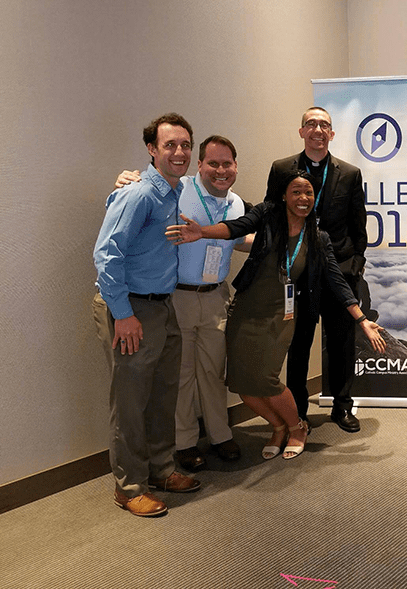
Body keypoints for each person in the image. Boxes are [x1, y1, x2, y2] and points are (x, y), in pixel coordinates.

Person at [166, 170, 385, 460]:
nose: (303, 198)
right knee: (242, 383)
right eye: (296, 191)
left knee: (266, 379)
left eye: (308, 192)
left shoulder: (318, 238)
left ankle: (297, 427)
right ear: (284, 195)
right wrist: (202, 232)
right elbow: (236, 226)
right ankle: (278, 426)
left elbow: (336, 281)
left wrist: (362, 320)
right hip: (246, 310)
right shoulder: (267, 217)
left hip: (281, 316)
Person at [114, 136, 252, 472]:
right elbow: (144, 190)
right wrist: (124, 180)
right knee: (182, 374)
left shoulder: (236, 204)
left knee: (213, 372)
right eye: (213, 164)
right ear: (199, 165)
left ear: (236, 167)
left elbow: (240, 240)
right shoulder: (180, 190)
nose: (221, 170)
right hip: (178, 296)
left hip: (216, 296)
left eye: (227, 164)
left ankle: (220, 435)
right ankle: (186, 442)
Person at [92, 113, 201, 517]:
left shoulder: (174, 189)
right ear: (152, 150)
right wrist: (123, 314)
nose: (179, 152)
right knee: (131, 401)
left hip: (160, 306)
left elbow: (212, 181)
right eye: (170, 145)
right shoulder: (139, 193)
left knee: (161, 396)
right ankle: (129, 486)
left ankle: (161, 470)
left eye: (186, 145)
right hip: (129, 307)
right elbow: (106, 255)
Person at [268, 107, 367, 432]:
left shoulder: (350, 173)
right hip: (299, 273)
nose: (318, 129)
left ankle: (343, 407)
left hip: (340, 270)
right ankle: (297, 410)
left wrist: (356, 266)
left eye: (324, 124)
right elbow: (272, 216)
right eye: (311, 123)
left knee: (342, 345)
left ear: (332, 134)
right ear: (302, 132)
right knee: (297, 345)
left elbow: (358, 224)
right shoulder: (282, 168)